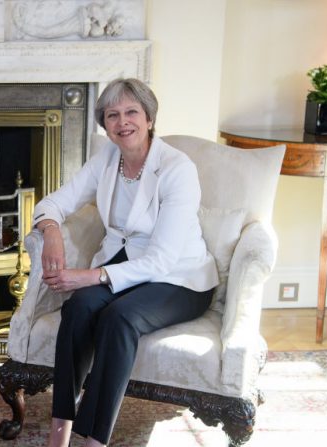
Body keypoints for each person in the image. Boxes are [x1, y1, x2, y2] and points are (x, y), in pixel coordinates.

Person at [34, 78, 218, 447]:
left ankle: (94, 439)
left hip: (180, 278)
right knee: (79, 308)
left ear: (149, 118)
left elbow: (162, 258)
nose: (123, 122)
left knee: (118, 318)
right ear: (106, 124)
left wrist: (89, 275)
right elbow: (55, 201)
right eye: (112, 115)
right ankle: (60, 433)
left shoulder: (176, 169)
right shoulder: (107, 157)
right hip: (124, 262)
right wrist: (51, 230)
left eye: (132, 112)